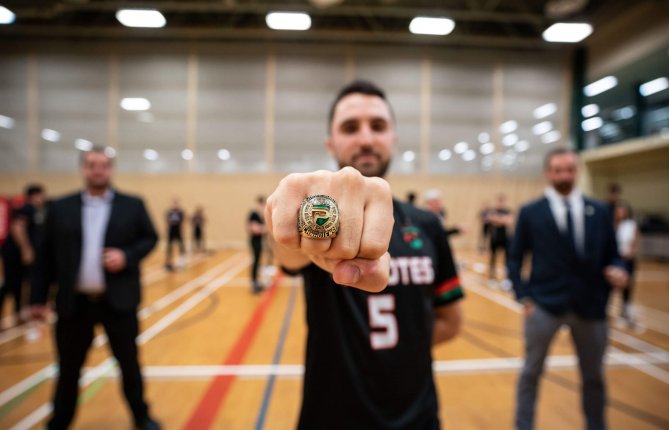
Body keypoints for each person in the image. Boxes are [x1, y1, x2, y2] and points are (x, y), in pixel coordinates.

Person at [264, 80, 464, 429]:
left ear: (394, 139)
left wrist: (403, 349)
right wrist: (294, 223)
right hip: (330, 415)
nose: (367, 138)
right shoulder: (321, 220)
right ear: (331, 143)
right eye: (350, 127)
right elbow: (290, 257)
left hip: (418, 416)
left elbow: (451, 320)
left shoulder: (428, 225)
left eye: (379, 126)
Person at [30, 147, 161, 430]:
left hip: (118, 302)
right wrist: (37, 299)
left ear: (111, 169)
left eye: (103, 165)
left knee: (129, 364)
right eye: (91, 165)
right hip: (73, 305)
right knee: (68, 369)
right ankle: (59, 421)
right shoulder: (60, 207)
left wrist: (126, 256)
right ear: (84, 169)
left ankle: (141, 416)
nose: (97, 170)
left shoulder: (132, 205)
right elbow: (45, 256)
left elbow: (150, 238)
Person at [507, 148, 628, 430]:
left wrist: (617, 268)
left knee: (594, 376)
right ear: (548, 173)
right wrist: (523, 296)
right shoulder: (531, 212)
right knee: (531, 372)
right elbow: (514, 258)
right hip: (544, 306)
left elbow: (614, 253)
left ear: (577, 171)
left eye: (570, 169)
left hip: (591, 307)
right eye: (558, 169)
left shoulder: (599, 211)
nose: (564, 175)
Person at [0, 184, 47, 327]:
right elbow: (17, 228)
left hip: (18, 254)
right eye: (41, 195)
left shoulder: (35, 211)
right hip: (14, 254)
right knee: (10, 284)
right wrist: (26, 250)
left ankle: (19, 312)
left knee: (20, 283)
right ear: (34, 196)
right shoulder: (27, 208)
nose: (43, 198)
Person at [614, 201, 639, 326]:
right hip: (615, 259)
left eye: (623, 210)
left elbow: (634, 242)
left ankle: (626, 312)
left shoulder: (631, 224)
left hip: (627, 259)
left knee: (627, 286)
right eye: (619, 210)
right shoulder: (613, 224)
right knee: (614, 286)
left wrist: (630, 254)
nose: (621, 212)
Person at [486, 193, 512, 280]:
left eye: (502, 201)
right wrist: (501, 220)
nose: (500, 203)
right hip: (494, 237)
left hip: (504, 237)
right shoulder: (493, 210)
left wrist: (498, 220)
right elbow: (489, 218)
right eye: (499, 201)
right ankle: (492, 274)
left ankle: (507, 275)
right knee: (493, 256)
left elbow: (509, 221)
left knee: (507, 257)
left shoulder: (507, 211)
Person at [248, 196, 266, 293]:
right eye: (262, 205)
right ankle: (253, 283)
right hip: (255, 241)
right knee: (255, 261)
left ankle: (257, 281)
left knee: (258, 261)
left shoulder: (260, 216)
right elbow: (254, 229)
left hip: (259, 241)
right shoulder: (253, 214)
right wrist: (265, 229)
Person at [165, 198, 185, 271]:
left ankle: (182, 262)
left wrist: (182, 231)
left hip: (178, 231)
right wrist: (167, 230)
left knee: (181, 246)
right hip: (171, 231)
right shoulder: (169, 212)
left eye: (176, 203)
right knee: (169, 247)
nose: (174, 205)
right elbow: (167, 222)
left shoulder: (180, 212)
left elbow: (183, 222)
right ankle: (168, 262)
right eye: (173, 203)